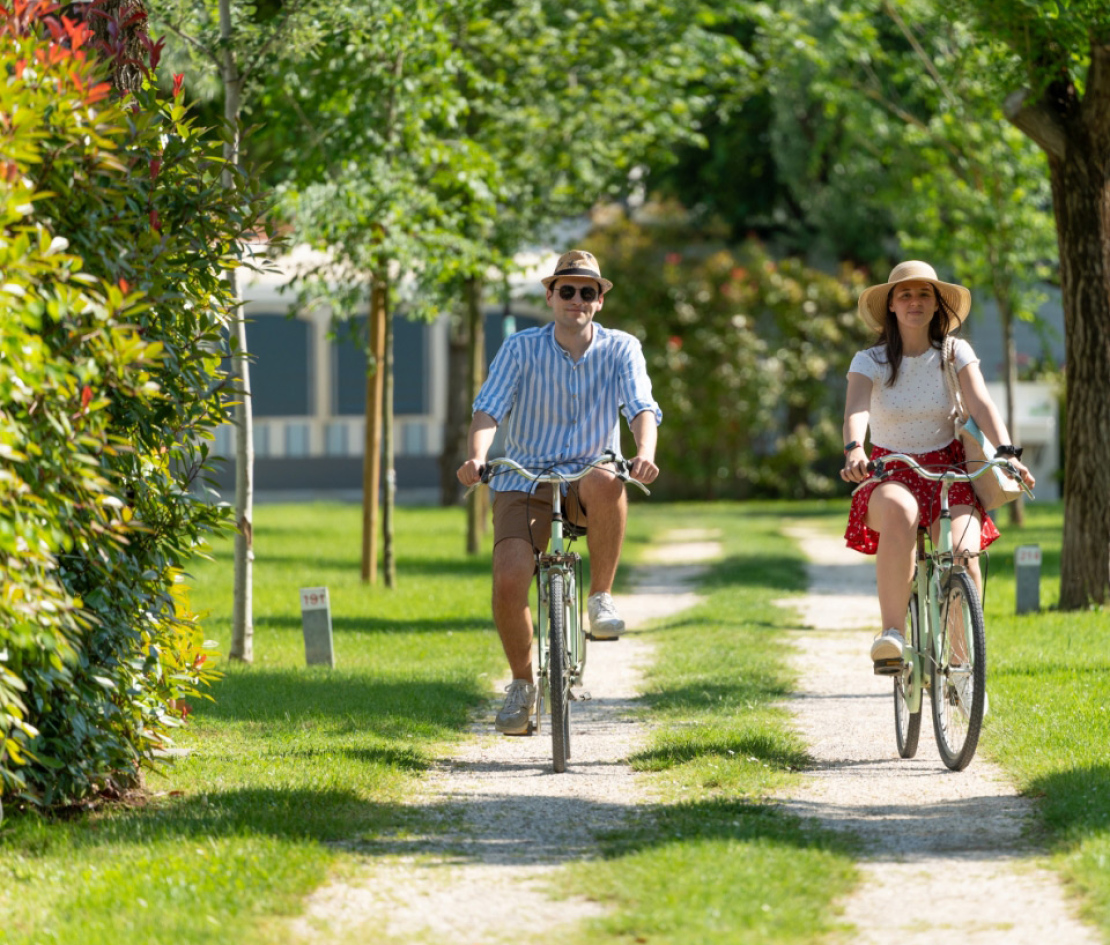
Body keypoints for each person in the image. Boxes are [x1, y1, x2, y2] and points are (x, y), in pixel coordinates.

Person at [457, 250, 661, 735]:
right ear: (549, 295)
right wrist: (478, 457)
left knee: (606, 475)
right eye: (566, 290)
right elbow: (489, 409)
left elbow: (640, 407)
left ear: (599, 301)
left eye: (587, 291)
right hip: (524, 477)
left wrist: (645, 450)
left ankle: (601, 599)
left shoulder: (622, 348)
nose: (576, 299)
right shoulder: (520, 348)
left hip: (589, 478)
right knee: (509, 577)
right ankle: (523, 685)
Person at [840, 261, 1035, 674]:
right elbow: (856, 411)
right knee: (901, 513)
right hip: (891, 469)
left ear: (936, 303)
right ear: (891, 305)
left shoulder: (953, 352)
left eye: (924, 294)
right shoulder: (868, 361)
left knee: (964, 552)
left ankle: (964, 669)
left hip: (949, 470)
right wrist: (855, 450)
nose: (915, 302)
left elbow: (981, 402)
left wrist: (1007, 451)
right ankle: (892, 637)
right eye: (905, 295)